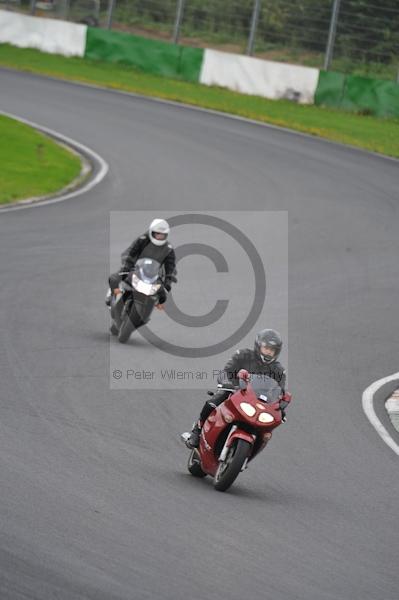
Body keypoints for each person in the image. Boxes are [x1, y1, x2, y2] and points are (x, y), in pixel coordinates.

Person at [186, 329, 289, 449]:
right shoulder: (243, 355)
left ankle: (248, 453)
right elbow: (226, 371)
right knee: (215, 400)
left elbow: (279, 391)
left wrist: (281, 404)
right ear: (258, 345)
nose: (269, 352)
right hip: (235, 392)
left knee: (267, 429)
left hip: (259, 401)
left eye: (272, 350)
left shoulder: (279, 370)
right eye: (266, 348)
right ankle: (197, 430)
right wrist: (227, 383)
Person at [106, 218, 176, 308]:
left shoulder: (168, 249)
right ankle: (112, 293)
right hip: (135, 267)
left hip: (153, 274)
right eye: (157, 234)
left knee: (162, 296)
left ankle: (147, 308)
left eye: (162, 235)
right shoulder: (142, 239)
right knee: (115, 278)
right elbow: (129, 252)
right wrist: (126, 266)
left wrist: (167, 283)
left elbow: (171, 267)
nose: (159, 237)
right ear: (152, 232)